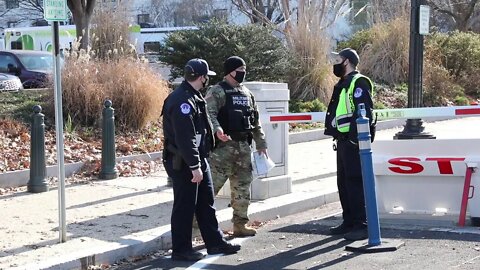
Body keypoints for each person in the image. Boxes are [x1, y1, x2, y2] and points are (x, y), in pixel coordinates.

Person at [162, 58, 241, 261]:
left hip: (197, 158)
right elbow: (184, 138)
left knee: (206, 203)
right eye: (207, 76)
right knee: (185, 206)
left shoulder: (193, 96)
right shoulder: (182, 101)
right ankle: (181, 249)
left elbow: (199, 129)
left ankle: (215, 242)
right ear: (201, 77)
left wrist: (214, 137)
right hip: (185, 161)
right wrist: (194, 166)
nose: (207, 80)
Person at [205, 56, 268, 237]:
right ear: (230, 71)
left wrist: (261, 143)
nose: (243, 72)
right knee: (211, 189)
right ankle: (195, 225)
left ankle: (240, 225)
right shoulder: (217, 91)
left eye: (244, 69)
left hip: (243, 148)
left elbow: (255, 121)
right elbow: (209, 114)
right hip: (223, 150)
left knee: (242, 187)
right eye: (240, 69)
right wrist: (217, 130)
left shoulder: (247, 93)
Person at [324, 48, 375, 241]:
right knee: (344, 183)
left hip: (354, 142)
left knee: (354, 182)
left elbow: (364, 112)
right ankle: (349, 221)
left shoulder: (358, 82)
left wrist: (355, 139)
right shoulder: (343, 83)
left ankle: (361, 225)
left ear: (347, 61)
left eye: (338, 60)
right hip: (343, 140)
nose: (335, 63)